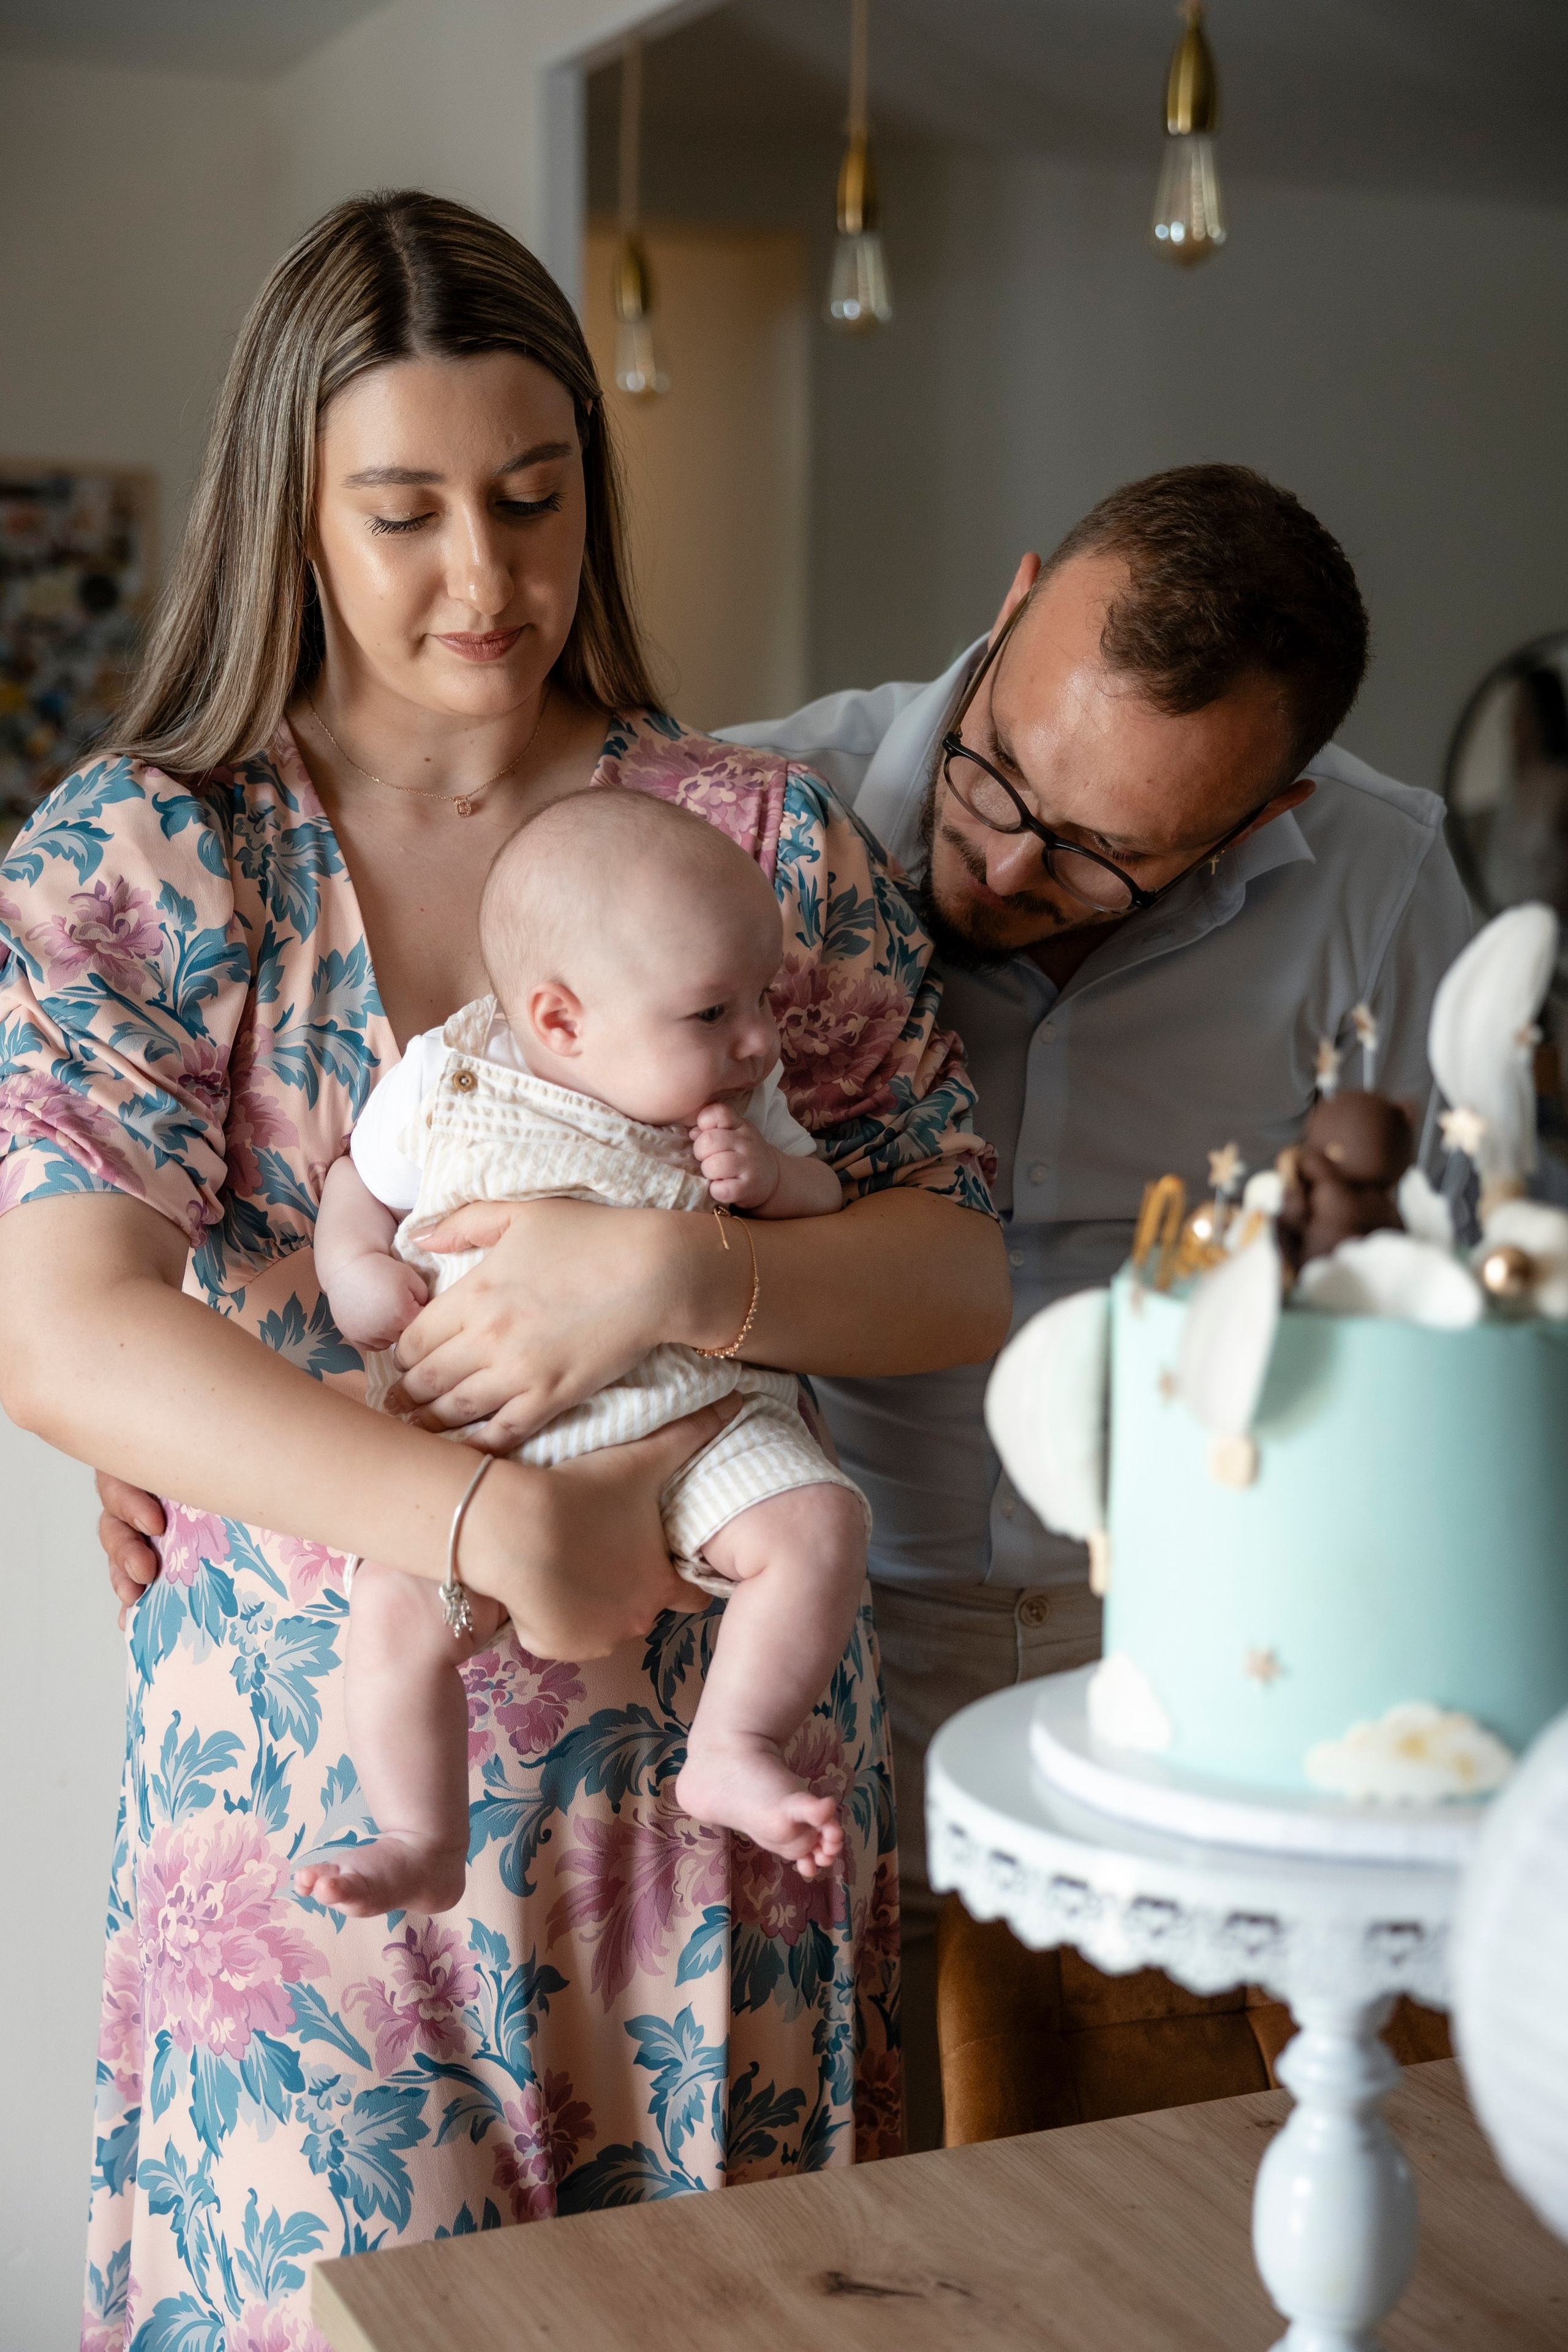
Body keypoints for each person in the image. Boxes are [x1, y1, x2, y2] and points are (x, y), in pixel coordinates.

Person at [0, 190, 1008, 2344]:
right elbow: (54, 1318)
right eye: (409, 515)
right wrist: (487, 1519)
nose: (491, 580)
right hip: (321, 1838)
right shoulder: (154, 853)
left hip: (721, 1816)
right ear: (292, 517)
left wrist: (671, 1286)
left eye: (538, 502)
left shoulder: (754, 845)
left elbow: (949, 1271)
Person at [717, 465, 1475, 2138]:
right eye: (996, 775)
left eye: (1100, 859)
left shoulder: (1382, 886)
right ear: (1013, 600)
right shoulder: (752, 814)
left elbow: (1467, 1297)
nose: (996, 866)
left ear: (1265, 816)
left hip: (1197, 1677)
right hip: (795, 1662)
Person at [304, 789, 870, 1922]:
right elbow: (355, 1187)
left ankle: (733, 1744)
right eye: (714, 1012)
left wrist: (768, 1183)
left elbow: (827, 1196)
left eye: (759, 998)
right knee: (394, 1611)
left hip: (701, 1414)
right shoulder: (444, 1084)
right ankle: (420, 1831)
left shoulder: (738, 1109)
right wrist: (358, 1269)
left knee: (821, 1524)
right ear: (561, 1020)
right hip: (485, 1451)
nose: (759, 1039)